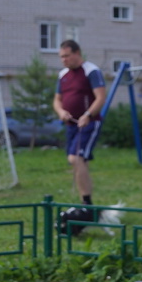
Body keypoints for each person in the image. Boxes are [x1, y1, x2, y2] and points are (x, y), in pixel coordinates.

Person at [53, 41, 106, 223]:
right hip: (71, 124)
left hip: (88, 123)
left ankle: (87, 203)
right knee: (78, 162)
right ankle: (87, 205)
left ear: (77, 53)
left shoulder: (91, 71)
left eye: (67, 56)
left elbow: (101, 97)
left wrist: (88, 115)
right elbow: (57, 100)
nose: (64, 60)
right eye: (61, 57)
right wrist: (61, 112)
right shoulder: (63, 75)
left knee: (75, 159)